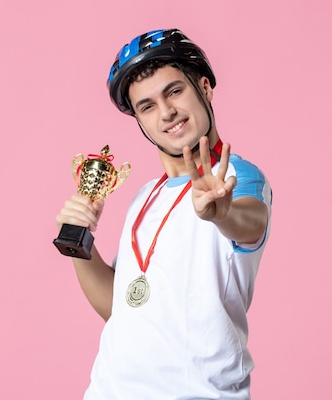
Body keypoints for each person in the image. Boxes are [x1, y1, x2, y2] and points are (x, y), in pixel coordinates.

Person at [55, 28, 272, 399]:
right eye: (148, 106)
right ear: (139, 120)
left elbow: (250, 222)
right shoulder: (143, 197)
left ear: (204, 88)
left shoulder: (237, 177)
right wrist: (79, 244)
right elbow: (121, 306)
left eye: (174, 91)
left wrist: (222, 214)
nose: (167, 112)